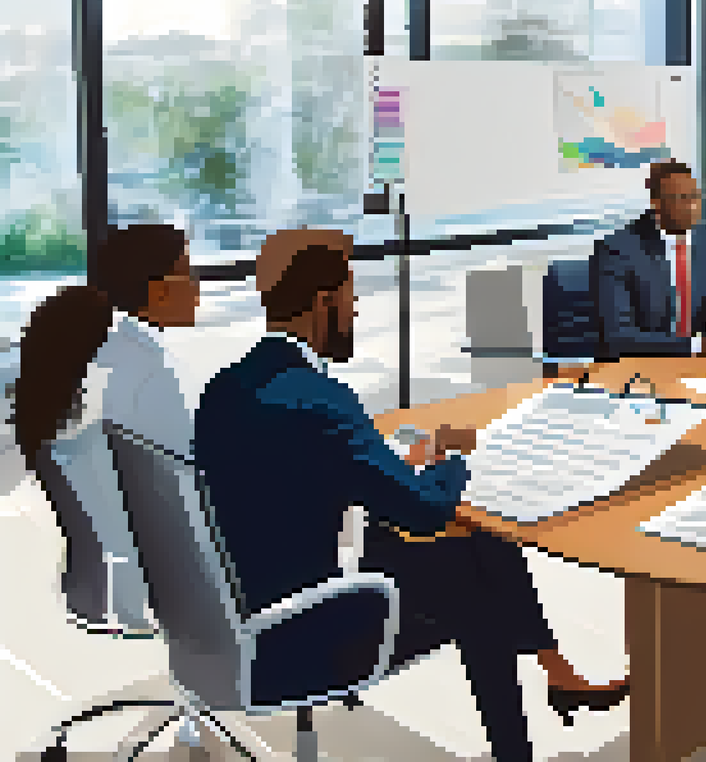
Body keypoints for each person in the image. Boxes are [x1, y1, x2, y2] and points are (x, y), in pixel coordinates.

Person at [194, 226, 625, 762]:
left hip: (223, 611)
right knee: (478, 582)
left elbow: (296, 471)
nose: (354, 316)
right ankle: (540, 706)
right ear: (324, 302)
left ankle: (555, 677)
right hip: (297, 631)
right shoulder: (322, 401)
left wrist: (397, 460)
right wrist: (458, 463)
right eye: (351, 300)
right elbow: (422, 512)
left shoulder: (224, 387)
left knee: (474, 548)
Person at [9, 224, 199, 631]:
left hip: (89, 589)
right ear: (158, 289)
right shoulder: (150, 370)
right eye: (189, 272)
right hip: (149, 597)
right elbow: (190, 495)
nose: (198, 286)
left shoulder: (99, 357)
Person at [592, 159, 706, 358]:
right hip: (640, 366)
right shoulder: (616, 250)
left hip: (694, 368)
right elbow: (618, 337)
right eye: (682, 198)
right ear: (657, 203)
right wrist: (697, 346)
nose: (693, 206)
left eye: (696, 197)